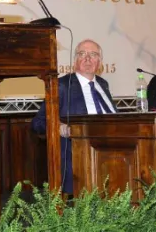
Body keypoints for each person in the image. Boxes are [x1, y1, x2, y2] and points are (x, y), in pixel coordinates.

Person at [31, 39, 117, 195]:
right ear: (75, 60)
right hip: (77, 157)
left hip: (111, 154)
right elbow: (38, 122)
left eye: (93, 54)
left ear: (100, 62)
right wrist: (59, 127)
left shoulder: (103, 84)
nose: (87, 59)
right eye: (82, 54)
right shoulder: (62, 85)